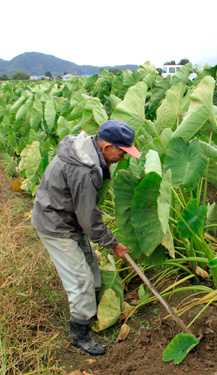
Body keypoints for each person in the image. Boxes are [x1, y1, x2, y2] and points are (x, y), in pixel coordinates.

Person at [31, 120, 141, 355]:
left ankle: (90, 309)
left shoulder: (88, 150)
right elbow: (89, 218)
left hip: (69, 220)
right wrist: (113, 245)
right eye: (122, 153)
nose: (123, 158)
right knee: (81, 280)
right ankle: (79, 333)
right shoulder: (83, 169)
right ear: (107, 147)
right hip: (55, 224)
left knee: (91, 268)